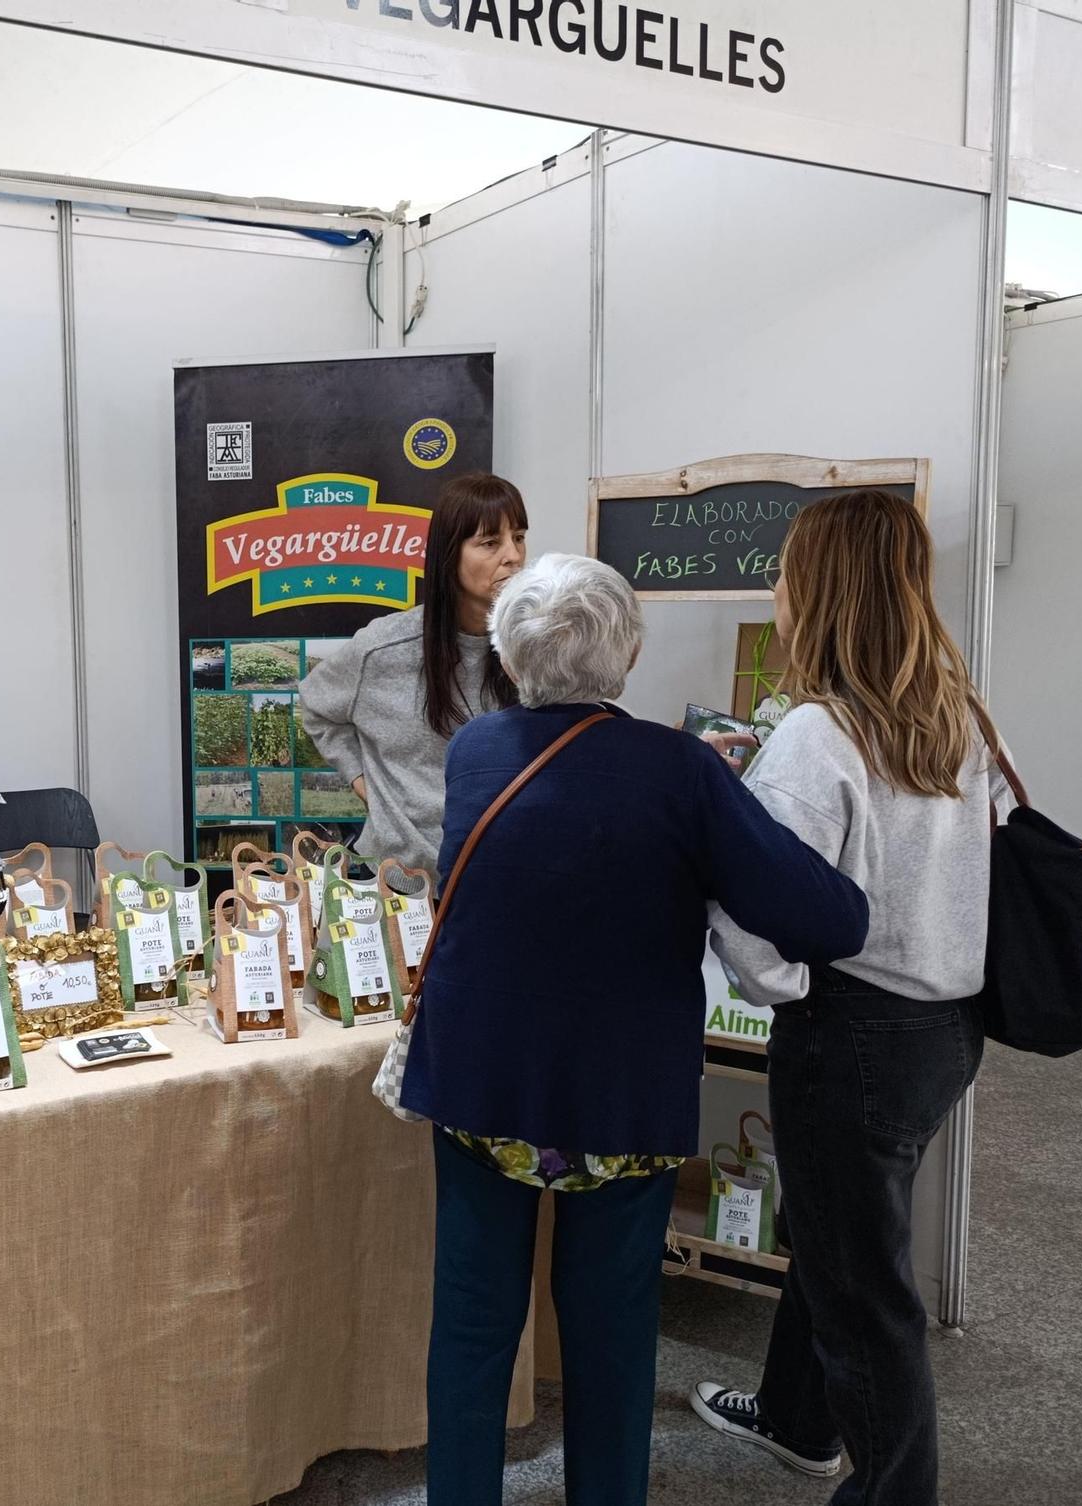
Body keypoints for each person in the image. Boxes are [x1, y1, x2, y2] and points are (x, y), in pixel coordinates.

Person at [398, 553, 871, 1506]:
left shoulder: (476, 751)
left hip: (485, 1087)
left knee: (473, 1329)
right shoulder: (680, 768)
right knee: (612, 1335)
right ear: (632, 652)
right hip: (621, 1098)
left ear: (508, 652)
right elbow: (828, 918)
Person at [691, 490, 1008, 1506]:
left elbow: (749, 907)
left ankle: (889, 1491)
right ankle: (794, 1418)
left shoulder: (814, 738)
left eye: (783, 571)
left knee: (864, 1290)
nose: (773, 590)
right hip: (945, 1030)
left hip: (849, 1035)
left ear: (817, 592)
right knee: (837, 1232)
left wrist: (781, 989)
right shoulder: (956, 716)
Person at [297, 471, 527, 875]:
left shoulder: (531, 651)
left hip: (494, 877)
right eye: (490, 542)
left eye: (519, 537)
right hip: (398, 882)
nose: (513, 556)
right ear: (449, 553)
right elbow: (316, 707)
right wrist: (363, 783)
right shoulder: (383, 649)